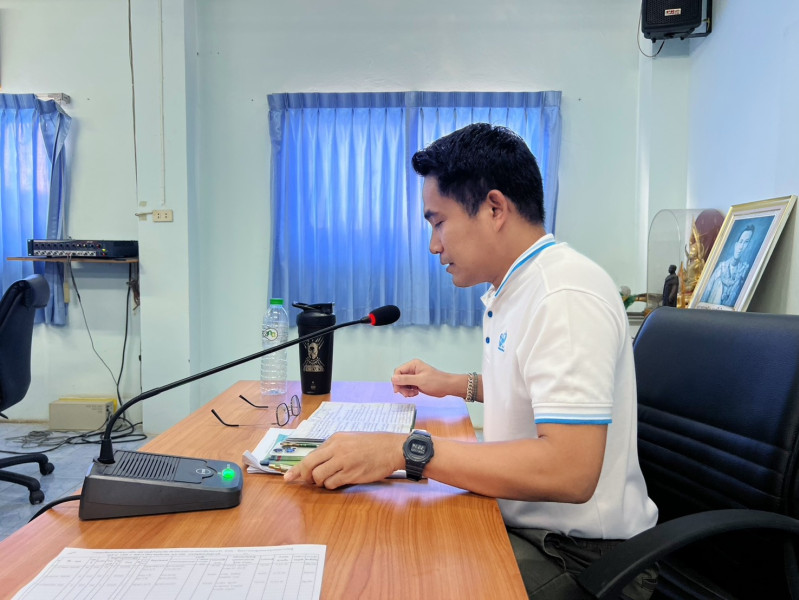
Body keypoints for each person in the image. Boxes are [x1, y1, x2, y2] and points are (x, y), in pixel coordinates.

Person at [284, 123, 658, 599]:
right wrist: (453, 383)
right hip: (529, 522)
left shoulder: (562, 295)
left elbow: (570, 470)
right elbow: (530, 389)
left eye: (438, 222)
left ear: (494, 209)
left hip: (585, 557)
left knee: (393, 578)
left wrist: (406, 451)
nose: (433, 244)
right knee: (384, 540)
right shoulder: (515, 287)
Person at [700, 224, 754, 307]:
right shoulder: (722, 267)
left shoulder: (745, 270)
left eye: (746, 242)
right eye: (740, 241)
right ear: (736, 244)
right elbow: (706, 292)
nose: (741, 247)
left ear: (749, 246)